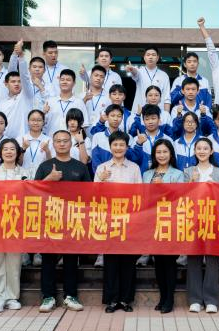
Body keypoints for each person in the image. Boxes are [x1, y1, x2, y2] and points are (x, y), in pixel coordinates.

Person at [35, 130, 91, 313]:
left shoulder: (80, 167)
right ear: (53, 143)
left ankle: (71, 295)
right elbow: (34, 192)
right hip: (50, 218)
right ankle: (48, 296)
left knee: (71, 259)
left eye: (65, 141)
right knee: (48, 259)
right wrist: (49, 179)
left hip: (73, 219)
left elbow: (89, 194)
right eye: (58, 141)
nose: (61, 144)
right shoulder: (45, 166)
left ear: (70, 143)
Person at [96, 132, 142, 313]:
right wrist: (101, 180)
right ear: (110, 147)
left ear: (127, 147)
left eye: (122, 145)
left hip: (129, 220)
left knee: (128, 261)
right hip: (110, 220)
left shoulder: (134, 168)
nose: (118, 148)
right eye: (115, 144)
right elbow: (93, 194)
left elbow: (139, 193)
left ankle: (125, 299)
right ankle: (112, 299)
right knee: (111, 262)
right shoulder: (102, 168)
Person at [0, 139, 30, 312]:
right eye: (5, 149)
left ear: (18, 153)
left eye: (12, 149)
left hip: (15, 222)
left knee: (13, 262)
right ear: (0, 152)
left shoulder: (25, 173)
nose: (9, 152)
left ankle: (11, 297)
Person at [143, 140, 185, 314]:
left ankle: (170, 299)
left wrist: (163, 187)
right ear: (154, 155)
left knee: (169, 263)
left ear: (171, 154)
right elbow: (143, 198)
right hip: (152, 223)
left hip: (170, 222)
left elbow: (181, 197)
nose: (161, 155)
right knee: (158, 262)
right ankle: (162, 297)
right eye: (158, 152)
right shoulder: (147, 174)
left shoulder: (178, 174)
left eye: (165, 152)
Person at [183, 137, 219, 314]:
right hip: (193, 220)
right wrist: (191, 183)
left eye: (205, 148)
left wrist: (217, 188)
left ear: (211, 151)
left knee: (212, 260)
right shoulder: (188, 171)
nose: (202, 151)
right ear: (194, 151)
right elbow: (182, 196)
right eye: (198, 148)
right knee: (193, 259)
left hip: (213, 220)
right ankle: (195, 299)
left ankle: (211, 299)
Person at [0, 41, 36, 139]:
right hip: (5, 142)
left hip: (23, 141)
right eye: (13, 82)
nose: (16, 84)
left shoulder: (26, 96)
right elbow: (11, 71)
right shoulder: (1, 103)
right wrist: (14, 53)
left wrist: (21, 56)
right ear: (6, 84)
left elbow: (24, 76)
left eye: (19, 81)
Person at [125, 46, 171, 112]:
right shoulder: (139, 72)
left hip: (158, 112)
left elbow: (167, 98)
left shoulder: (164, 75)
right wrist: (132, 69)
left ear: (157, 58)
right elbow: (135, 73)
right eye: (148, 55)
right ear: (144, 57)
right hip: (140, 111)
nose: (150, 57)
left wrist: (166, 114)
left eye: (153, 55)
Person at [43, 69, 89, 135]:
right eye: (62, 79)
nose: (64, 82)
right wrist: (43, 113)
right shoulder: (50, 101)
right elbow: (42, 123)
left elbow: (84, 125)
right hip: (51, 139)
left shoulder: (79, 102)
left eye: (68, 80)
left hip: (72, 140)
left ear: (74, 83)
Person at [130, 105, 174, 173]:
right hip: (142, 177)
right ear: (143, 121)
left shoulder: (168, 140)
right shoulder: (137, 139)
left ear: (159, 120)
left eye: (153, 118)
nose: (150, 122)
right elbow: (132, 161)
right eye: (147, 119)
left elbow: (173, 162)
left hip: (164, 178)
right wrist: (139, 144)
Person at [89, 104, 125, 174]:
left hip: (122, 176)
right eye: (112, 115)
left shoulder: (128, 137)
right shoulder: (97, 137)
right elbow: (95, 160)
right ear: (107, 117)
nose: (116, 119)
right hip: (103, 176)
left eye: (119, 116)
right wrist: (101, 175)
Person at [21, 110, 51, 177]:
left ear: (43, 122)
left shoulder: (49, 140)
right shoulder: (20, 139)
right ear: (28, 122)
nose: (35, 123)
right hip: (23, 177)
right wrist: (23, 149)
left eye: (39, 120)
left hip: (42, 176)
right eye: (33, 120)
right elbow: (18, 163)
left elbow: (51, 164)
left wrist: (47, 151)